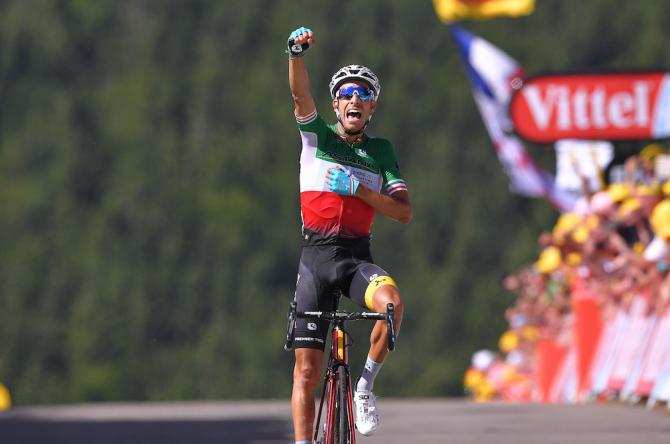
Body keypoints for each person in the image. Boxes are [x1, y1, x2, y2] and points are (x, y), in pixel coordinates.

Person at [286, 26, 411, 443]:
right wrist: (296, 55)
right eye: (347, 93)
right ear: (336, 104)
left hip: (356, 258)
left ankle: (363, 388)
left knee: (391, 305)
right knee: (306, 370)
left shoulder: (381, 152)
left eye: (364, 93)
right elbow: (300, 96)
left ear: (372, 107)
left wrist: (361, 190)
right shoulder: (316, 137)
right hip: (315, 258)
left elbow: (403, 212)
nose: (355, 98)